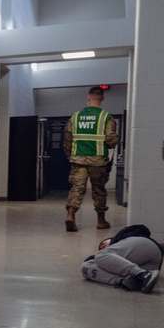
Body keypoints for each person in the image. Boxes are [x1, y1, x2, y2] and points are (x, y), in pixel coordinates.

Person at [64, 86, 118, 232]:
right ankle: (101, 220)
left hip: (78, 160)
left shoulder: (75, 117)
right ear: (102, 98)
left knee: (77, 188)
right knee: (99, 189)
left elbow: (68, 138)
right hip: (98, 161)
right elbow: (111, 140)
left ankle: (71, 214)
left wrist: (70, 155)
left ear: (88, 97)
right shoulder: (106, 117)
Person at [81, 224, 162, 293]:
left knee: (101, 255)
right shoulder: (114, 256)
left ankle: (142, 274)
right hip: (150, 264)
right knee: (85, 267)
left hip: (145, 244)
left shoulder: (123, 238)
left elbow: (143, 229)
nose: (103, 247)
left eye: (103, 243)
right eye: (101, 248)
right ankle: (125, 280)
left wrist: (115, 240)